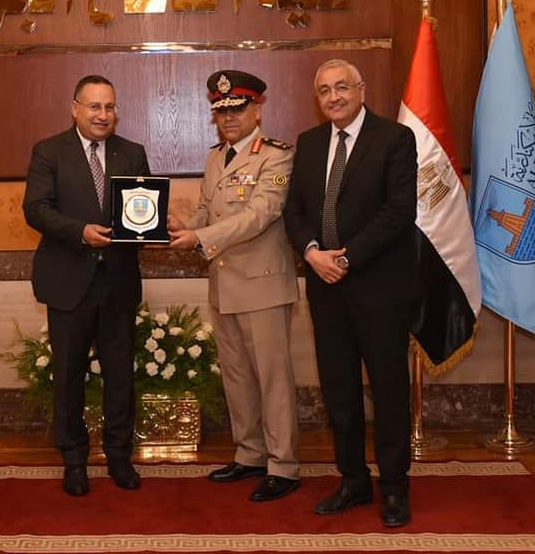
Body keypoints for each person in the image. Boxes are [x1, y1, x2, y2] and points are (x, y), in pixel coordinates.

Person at [283, 59, 418, 528]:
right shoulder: (309, 143)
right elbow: (294, 210)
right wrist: (312, 251)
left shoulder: (394, 139)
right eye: (324, 90)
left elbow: (399, 211)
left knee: (389, 390)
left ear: (361, 89)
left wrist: (346, 258)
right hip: (325, 288)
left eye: (342, 87)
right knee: (338, 390)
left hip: (379, 286)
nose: (334, 96)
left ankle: (394, 487)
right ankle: (353, 480)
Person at [168, 70, 301, 502]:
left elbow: (260, 214)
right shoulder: (216, 157)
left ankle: (283, 465)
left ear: (257, 110)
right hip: (224, 283)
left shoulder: (276, 156)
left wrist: (199, 237)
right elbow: (207, 210)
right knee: (238, 377)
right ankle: (250, 454)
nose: (228, 118)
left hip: (262, 285)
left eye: (237, 109)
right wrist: (181, 227)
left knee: (272, 379)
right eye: (220, 110)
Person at [23, 74, 150, 497]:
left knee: (121, 376)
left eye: (109, 107)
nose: (102, 115)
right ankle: (74, 460)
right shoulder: (49, 151)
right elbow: (35, 209)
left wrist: (154, 223)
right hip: (68, 282)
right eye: (94, 106)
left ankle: (119, 457)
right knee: (68, 376)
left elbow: (143, 210)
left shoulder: (132, 153)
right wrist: (80, 232)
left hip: (118, 283)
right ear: (75, 108)